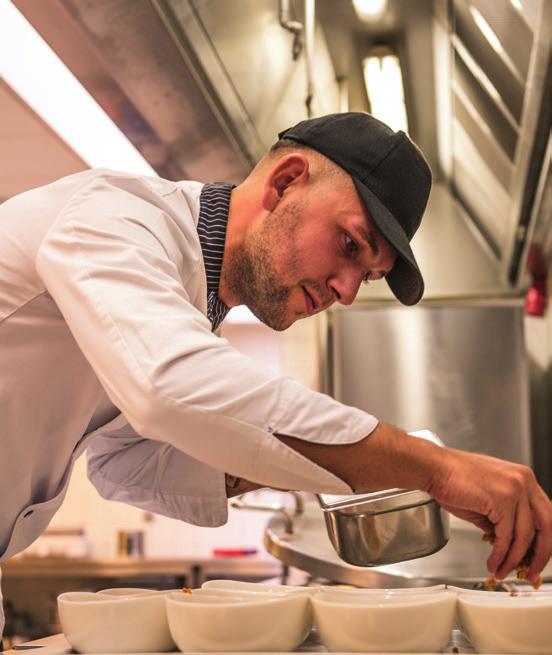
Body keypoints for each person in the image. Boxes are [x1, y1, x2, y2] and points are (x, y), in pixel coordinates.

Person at [0, 113, 550, 632]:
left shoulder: (189, 303)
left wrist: (360, 472)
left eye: (369, 275)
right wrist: (435, 468)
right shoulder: (115, 216)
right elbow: (167, 391)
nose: (348, 291)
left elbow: (125, 462)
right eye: (350, 244)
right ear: (286, 181)